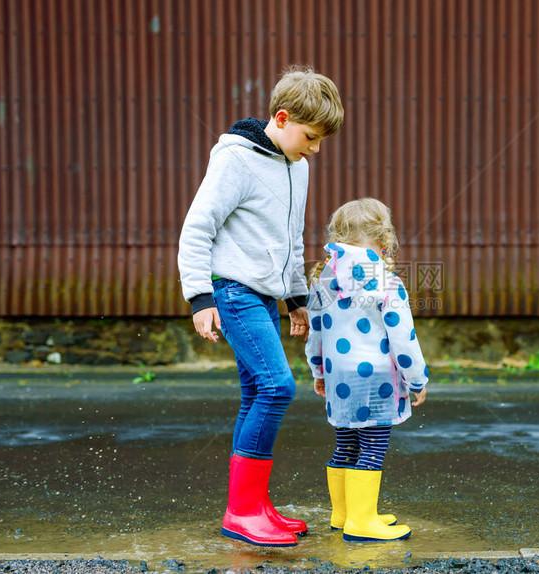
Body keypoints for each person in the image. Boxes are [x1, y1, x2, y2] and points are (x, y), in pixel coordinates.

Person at [177, 65, 344, 548]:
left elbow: (290, 240)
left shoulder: (299, 167)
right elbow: (198, 227)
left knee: (256, 393)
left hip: (266, 296)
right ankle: (242, 511)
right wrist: (199, 298)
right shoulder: (236, 159)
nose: (315, 148)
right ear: (282, 116)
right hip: (232, 291)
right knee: (276, 386)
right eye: (310, 136)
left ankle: (254, 505)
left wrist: (295, 299)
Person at [305, 198, 429, 542]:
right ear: (385, 241)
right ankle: (362, 521)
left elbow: (316, 333)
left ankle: (344, 514)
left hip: (337, 377)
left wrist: (318, 372)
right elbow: (403, 339)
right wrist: (417, 379)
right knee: (372, 448)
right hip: (375, 382)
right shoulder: (387, 283)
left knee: (345, 442)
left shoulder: (323, 279)